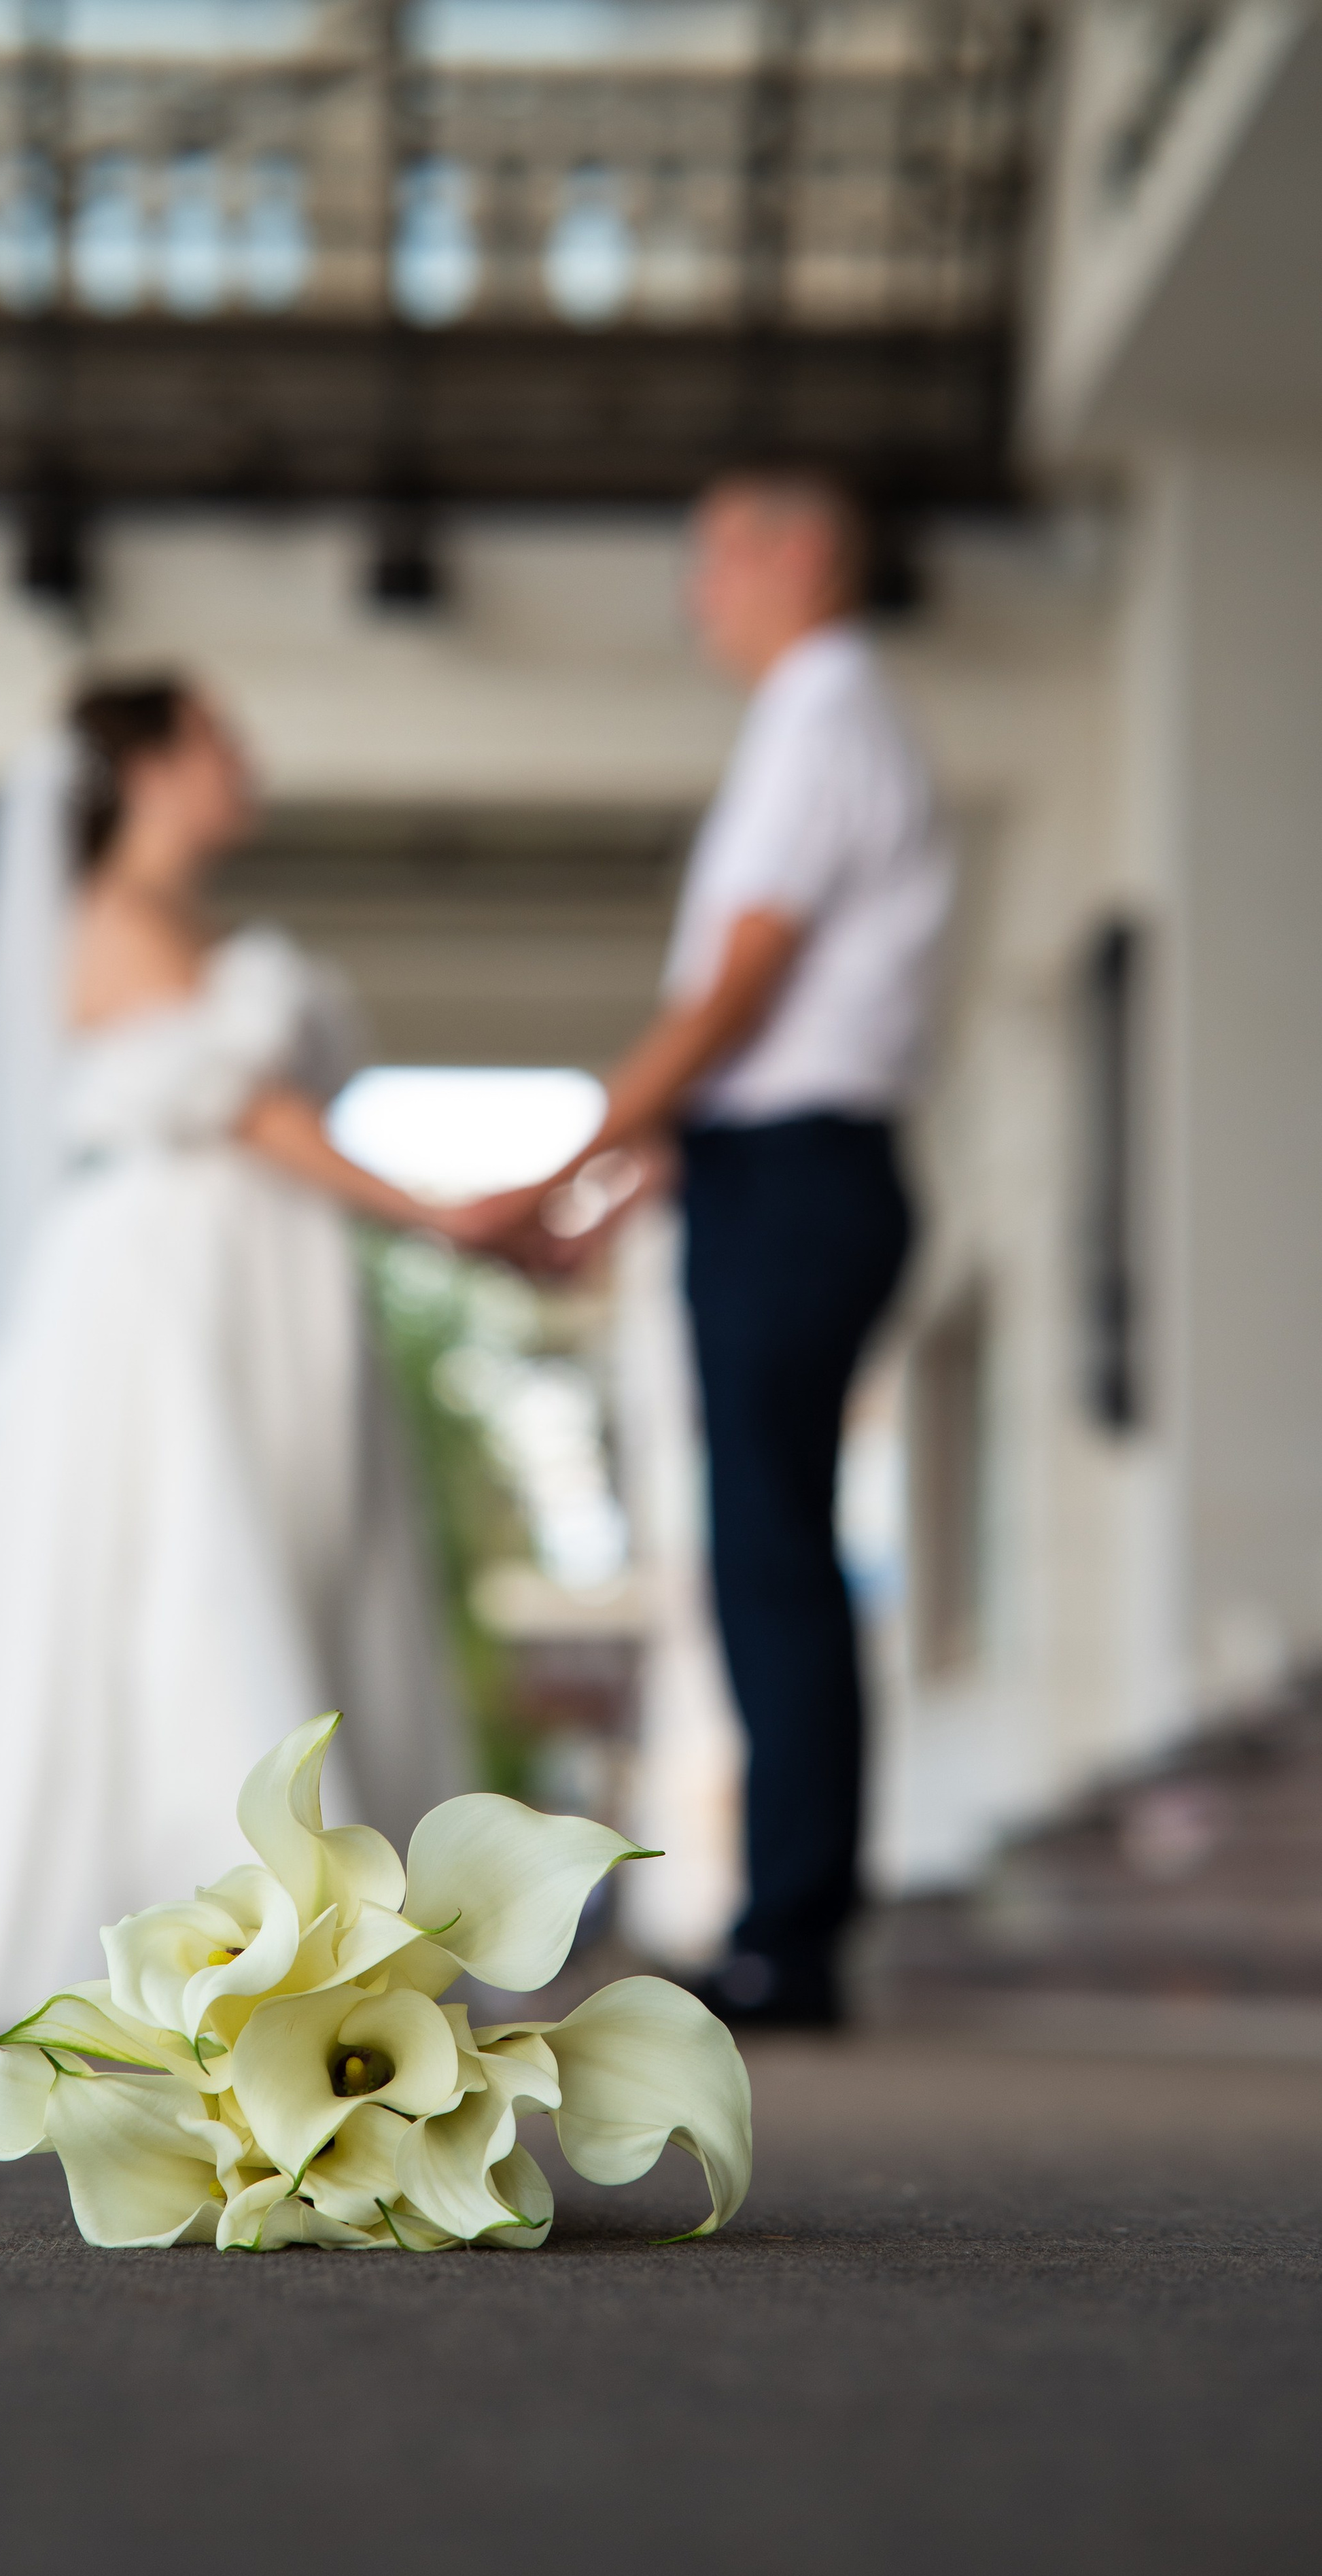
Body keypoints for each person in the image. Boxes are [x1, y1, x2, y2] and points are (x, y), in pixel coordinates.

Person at [0, 676, 468, 2050]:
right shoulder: (112, 918)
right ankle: (224, 1929)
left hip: (255, 1276)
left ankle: (290, 1932)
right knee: (184, 1571)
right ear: (146, 767)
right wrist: (444, 1214)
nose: (247, 757)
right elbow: (251, 1111)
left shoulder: (187, 929)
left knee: (279, 1556)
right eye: (220, 738)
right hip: (173, 1281)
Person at [467, 471, 952, 2028]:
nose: (697, 600)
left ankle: (791, 1937)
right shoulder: (819, 719)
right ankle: (784, 1923)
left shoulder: (821, 714)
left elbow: (739, 988)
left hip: (800, 1174)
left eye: (716, 563)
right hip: (773, 1167)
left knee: (770, 1558)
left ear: (803, 553)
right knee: (765, 1551)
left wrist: (559, 1164)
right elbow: (754, 1039)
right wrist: (620, 1194)